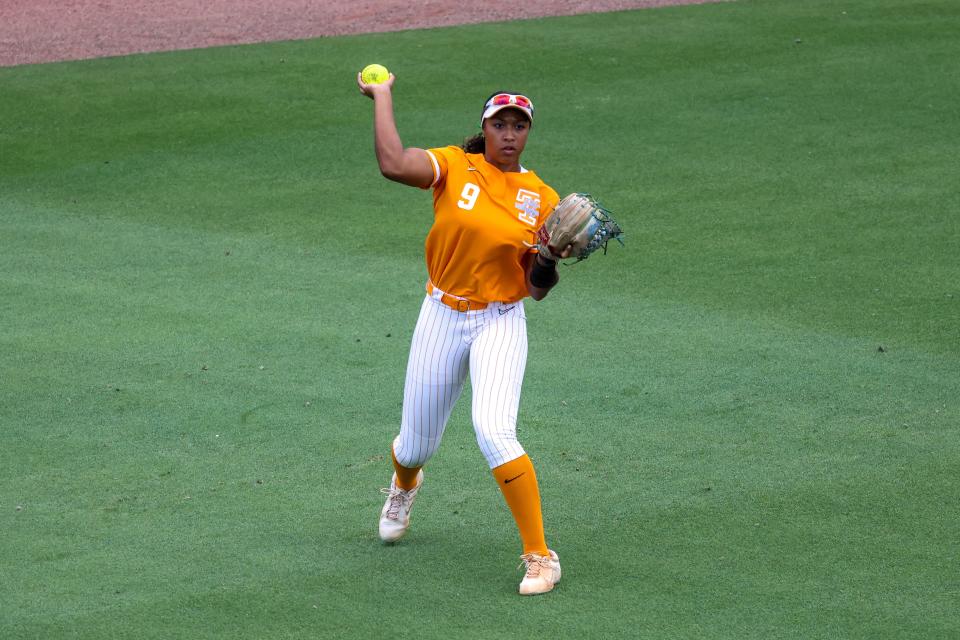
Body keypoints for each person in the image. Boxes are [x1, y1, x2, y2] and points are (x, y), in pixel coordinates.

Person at [357, 70, 571, 596]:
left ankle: (540, 557)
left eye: (519, 125)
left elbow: (535, 288)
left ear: (527, 133)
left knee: (495, 432)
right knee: (414, 444)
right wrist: (382, 96)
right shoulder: (456, 165)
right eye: (501, 123)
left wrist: (546, 258)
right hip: (440, 315)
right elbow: (392, 163)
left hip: (499, 319)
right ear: (486, 127)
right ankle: (404, 486)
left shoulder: (543, 198)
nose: (509, 133)